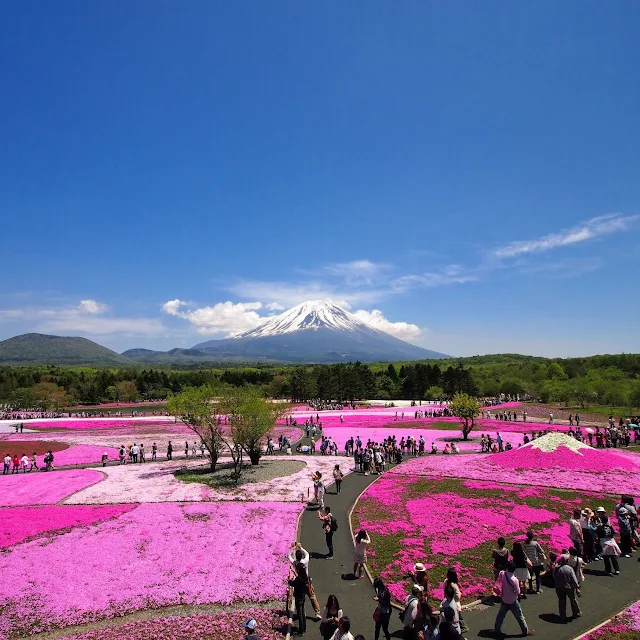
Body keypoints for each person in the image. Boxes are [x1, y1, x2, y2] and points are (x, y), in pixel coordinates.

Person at [492, 561, 534, 637]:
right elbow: (517, 591)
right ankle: (525, 631)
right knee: (519, 616)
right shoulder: (514, 580)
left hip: (504, 599)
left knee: (500, 616)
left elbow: (500, 578)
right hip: (513, 601)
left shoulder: (502, 574)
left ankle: (496, 629)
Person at [288, 542, 321, 620]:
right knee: (312, 596)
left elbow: (289, 556)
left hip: (299, 583)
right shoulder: (305, 561)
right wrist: (301, 547)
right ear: (301, 556)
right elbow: (307, 554)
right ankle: (317, 613)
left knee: (300, 598)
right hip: (306, 582)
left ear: (296, 557)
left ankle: (302, 612)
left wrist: (292, 548)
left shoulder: (295, 563)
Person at [553, 555, 581, 621]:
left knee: (561, 600)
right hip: (569, 587)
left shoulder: (556, 568)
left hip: (559, 587)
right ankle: (576, 613)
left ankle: (563, 615)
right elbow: (574, 579)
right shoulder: (569, 568)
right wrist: (577, 588)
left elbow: (554, 576)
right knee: (573, 600)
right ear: (566, 561)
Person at [288, 563, 309, 636]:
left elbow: (292, 583)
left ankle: (301, 631)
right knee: (302, 613)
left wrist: (289, 579)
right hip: (303, 597)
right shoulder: (304, 577)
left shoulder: (298, 579)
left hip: (298, 598)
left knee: (300, 614)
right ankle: (304, 628)